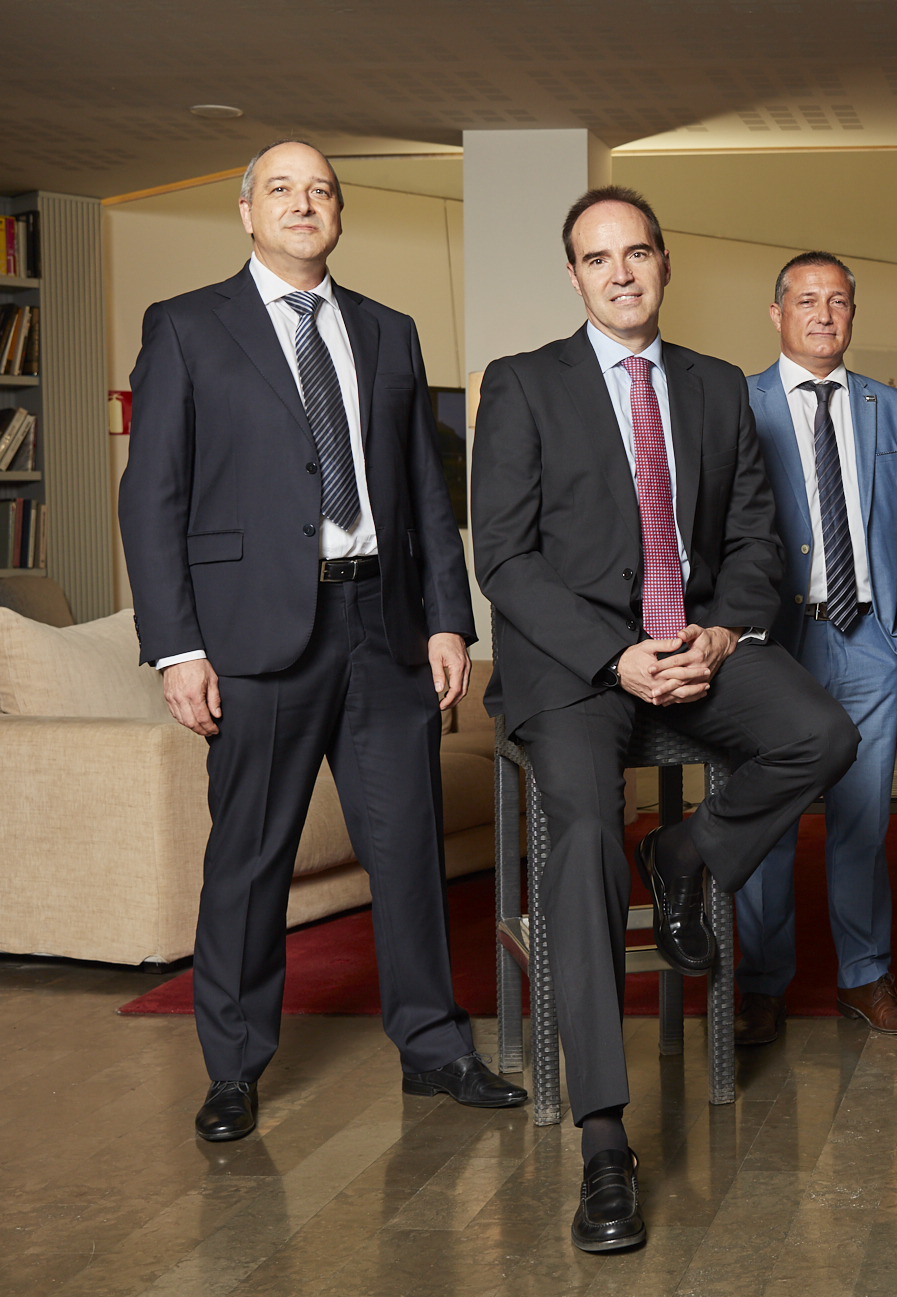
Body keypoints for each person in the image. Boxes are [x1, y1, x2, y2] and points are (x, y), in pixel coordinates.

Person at [470, 186, 858, 1250]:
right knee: (585, 835)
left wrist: (721, 634)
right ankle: (604, 1139)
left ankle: (684, 852)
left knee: (823, 734)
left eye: (636, 252)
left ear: (663, 262)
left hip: (693, 643)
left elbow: (755, 541)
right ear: (574, 276)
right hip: (576, 666)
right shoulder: (522, 383)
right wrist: (615, 654)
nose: (621, 273)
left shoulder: (714, 387)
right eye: (598, 259)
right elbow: (503, 557)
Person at [121, 140, 527, 1147]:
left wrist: (448, 616)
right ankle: (233, 1066)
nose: (304, 204)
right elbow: (152, 496)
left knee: (406, 850)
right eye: (282, 189)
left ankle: (433, 1046)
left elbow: (426, 491)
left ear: (339, 214)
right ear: (246, 213)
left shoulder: (389, 330)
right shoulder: (185, 326)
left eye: (321, 191)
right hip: (254, 637)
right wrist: (176, 647)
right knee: (249, 857)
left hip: (383, 626)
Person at [734, 252, 897, 1044]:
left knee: (862, 817)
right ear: (777, 313)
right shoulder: (740, 404)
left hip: (866, 640)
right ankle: (763, 985)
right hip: (772, 645)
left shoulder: (893, 410)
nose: (824, 314)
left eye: (839, 301)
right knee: (770, 821)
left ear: (853, 313)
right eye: (807, 300)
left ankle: (864, 976)